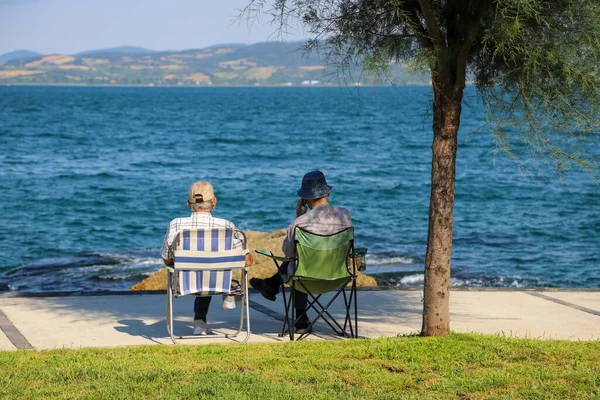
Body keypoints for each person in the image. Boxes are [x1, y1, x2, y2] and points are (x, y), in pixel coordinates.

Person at [250, 170, 352, 332]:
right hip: (338, 277)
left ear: (304, 199)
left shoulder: (300, 223)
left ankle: (297, 315)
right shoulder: (345, 215)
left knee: (298, 263)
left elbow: (287, 253)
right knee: (300, 262)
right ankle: (271, 285)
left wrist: (298, 217)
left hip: (305, 278)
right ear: (328, 193)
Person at [161, 181, 253, 336]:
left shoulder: (176, 225)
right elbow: (247, 261)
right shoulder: (227, 226)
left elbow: (166, 259)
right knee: (211, 271)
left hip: (184, 284)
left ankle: (200, 322)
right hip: (218, 284)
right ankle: (231, 294)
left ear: (189, 204)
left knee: (200, 271)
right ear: (214, 202)